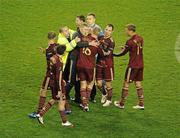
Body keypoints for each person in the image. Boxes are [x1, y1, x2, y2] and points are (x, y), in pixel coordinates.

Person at [36, 45, 74, 127]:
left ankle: (40, 114)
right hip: (58, 85)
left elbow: (52, 71)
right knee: (61, 101)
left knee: (54, 99)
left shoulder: (53, 57)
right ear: (63, 53)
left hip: (52, 82)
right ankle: (64, 122)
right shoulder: (59, 62)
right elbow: (59, 76)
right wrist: (60, 89)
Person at [77, 23, 109, 111]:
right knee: (90, 84)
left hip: (80, 64)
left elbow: (78, 44)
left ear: (91, 31)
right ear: (98, 34)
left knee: (82, 84)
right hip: (90, 66)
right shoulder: (97, 43)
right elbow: (102, 54)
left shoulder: (83, 38)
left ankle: (84, 104)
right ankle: (86, 104)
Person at [114, 24, 145, 110]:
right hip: (140, 64)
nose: (125, 31)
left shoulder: (130, 41)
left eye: (126, 30)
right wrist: (125, 47)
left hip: (133, 66)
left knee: (126, 84)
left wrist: (113, 54)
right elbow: (134, 48)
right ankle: (141, 104)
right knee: (138, 83)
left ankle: (121, 103)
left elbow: (123, 53)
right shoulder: (140, 38)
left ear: (130, 30)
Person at [28, 32, 58, 118]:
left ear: (47, 38)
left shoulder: (49, 49)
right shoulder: (56, 46)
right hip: (56, 72)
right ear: (55, 38)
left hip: (50, 74)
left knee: (43, 91)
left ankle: (39, 112)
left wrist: (45, 52)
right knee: (57, 92)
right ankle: (67, 109)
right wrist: (44, 51)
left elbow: (50, 54)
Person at [86, 13, 104, 102]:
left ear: (94, 19)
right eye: (87, 19)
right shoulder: (86, 28)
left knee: (95, 76)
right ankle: (89, 96)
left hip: (95, 56)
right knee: (89, 76)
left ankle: (94, 95)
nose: (88, 20)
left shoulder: (98, 29)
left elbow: (101, 42)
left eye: (90, 19)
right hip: (87, 56)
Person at [96, 24, 115, 107]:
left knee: (108, 84)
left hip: (108, 65)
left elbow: (106, 53)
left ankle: (109, 100)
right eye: (106, 29)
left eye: (109, 30)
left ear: (112, 32)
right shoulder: (101, 38)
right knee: (98, 84)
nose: (107, 31)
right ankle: (104, 93)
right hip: (99, 63)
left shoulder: (111, 41)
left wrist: (99, 45)